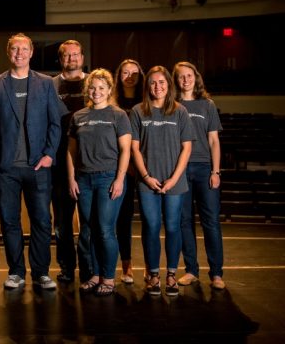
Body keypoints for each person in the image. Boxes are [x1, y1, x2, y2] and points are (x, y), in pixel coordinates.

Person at [0, 33, 63, 290]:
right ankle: (16, 271)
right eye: (14, 48)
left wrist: (50, 154)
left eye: (24, 48)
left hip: (38, 166)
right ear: (8, 52)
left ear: (31, 52)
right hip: (6, 168)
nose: (19, 53)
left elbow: (55, 123)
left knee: (41, 220)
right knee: (10, 221)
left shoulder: (46, 83)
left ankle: (40, 272)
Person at [130, 65, 194, 297]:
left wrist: (174, 179)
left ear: (169, 85)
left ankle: (171, 275)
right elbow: (134, 149)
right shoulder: (138, 111)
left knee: (174, 226)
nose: (158, 86)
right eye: (153, 82)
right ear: (148, 86)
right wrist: (146, 177)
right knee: (152, 226)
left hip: (174, 182)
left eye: (162, 82)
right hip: (148, 182)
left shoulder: (180, 112)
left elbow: (186, 149)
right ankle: (154, 274)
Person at [67, 69, 131, 297]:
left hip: (108, 178)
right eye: (92, 87)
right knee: (88, 230)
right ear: (87, 90)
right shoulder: (78, 116)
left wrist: (120, 179)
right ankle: (93, 275)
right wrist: (72, 178)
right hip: (83, 179)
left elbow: (125, 150)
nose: (96, 92)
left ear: (109, 90)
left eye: (101, 88)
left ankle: (108, 277)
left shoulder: (119, 115)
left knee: (104, 230)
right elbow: (71, 151)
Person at [173, 61, 226, 290]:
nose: (186, 79)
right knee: (184, 221)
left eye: (189, 75)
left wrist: (216, 171)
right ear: (176, 80)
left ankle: (216, 273)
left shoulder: (207, 105)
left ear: (196, 77)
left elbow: (214, 140)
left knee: (211, 222)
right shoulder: (172, 106)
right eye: (181, 76)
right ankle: (191, 270)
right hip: (180, 170)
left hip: (205, 169)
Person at [52, 39, 91, 283]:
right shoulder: (50, 84)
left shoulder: (94, 82)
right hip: (59, 162)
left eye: (76, 54)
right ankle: (67, 267)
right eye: (67, 55)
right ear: (60, 59)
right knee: (62, 223)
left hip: (90, 163)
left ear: (83, 57)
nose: (72, 59)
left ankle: (89, 268)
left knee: (90, 221)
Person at [111, 58, 145, 284]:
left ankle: (152, 267)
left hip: (144, 166)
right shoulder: (112, 101)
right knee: (122, 218)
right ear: (119, 75)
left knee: (149, 218)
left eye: (134, 72)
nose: (130, 76)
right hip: (119, 166)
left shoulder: (147, 100)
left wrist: (138, 164)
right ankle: (126, 265)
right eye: (125, 72)